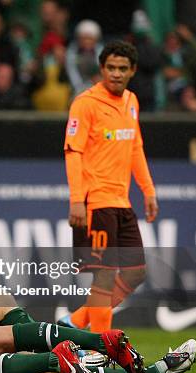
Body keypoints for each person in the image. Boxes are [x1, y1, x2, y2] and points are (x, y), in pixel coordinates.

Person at [60, 40, 158, 333]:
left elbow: (135, 147)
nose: (116, 73)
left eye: (122, 69)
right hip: (96, 202)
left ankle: (76, 322)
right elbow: (72, 151)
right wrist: (77, 200)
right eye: (111, 68)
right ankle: (101, 347)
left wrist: (148, 190)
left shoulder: (131, 102)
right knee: (104, 276)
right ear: (102, 69)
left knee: (136, 272)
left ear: (132, 71)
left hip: (121, 201)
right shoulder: (86, 103)